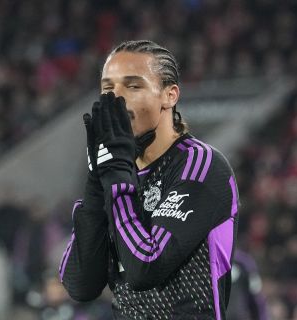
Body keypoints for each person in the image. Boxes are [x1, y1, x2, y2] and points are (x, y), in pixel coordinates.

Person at [59, 40, 239, 319]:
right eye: (108, 88)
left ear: (170, 95)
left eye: (133, 86)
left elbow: (146, 267)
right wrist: (96, 182)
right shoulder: (118, 172)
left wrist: (116, 177)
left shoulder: (199, 164)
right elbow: (81, 285)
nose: (116, 99)